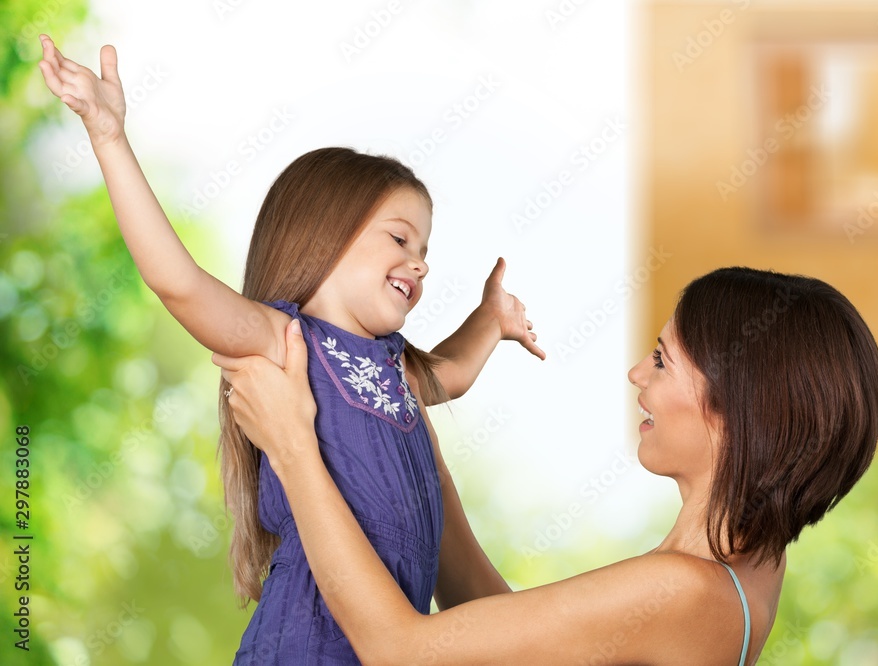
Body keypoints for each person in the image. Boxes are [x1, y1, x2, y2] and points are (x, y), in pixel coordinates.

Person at [38, 35, 545, 664]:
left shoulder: (394, 368)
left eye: (424, 251)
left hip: (390, 641)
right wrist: (109, 137)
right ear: (324, 234)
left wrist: (491, 320)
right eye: (400, 238)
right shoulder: (284, 342)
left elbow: (453, 373)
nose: (419, 264)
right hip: (303, 644)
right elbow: (179, 283)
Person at [214, 266, 878, 665]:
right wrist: (416, 447)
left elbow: (402, 653)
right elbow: (510, 640)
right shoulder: (745, 568)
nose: (636, 374)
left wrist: (294, 446)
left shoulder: (687, 590)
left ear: (735, 410)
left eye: (662, 360)